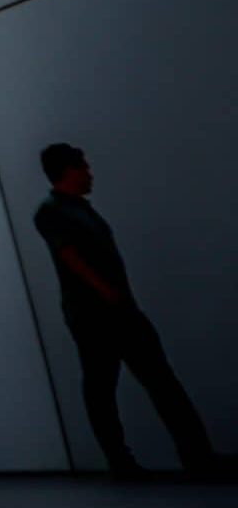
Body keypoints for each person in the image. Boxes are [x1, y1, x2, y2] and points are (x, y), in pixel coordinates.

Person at [33, 143, 217, 477]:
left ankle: (196, 455)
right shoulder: (51, 211)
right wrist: (105, 291)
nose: (89, 173)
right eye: (83, 167)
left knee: (156, 381)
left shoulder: (81, 210)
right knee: (107, 387)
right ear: (68, 171)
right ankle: (124, 460)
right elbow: (68, 255)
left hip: (116, 309)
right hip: (94, 315)